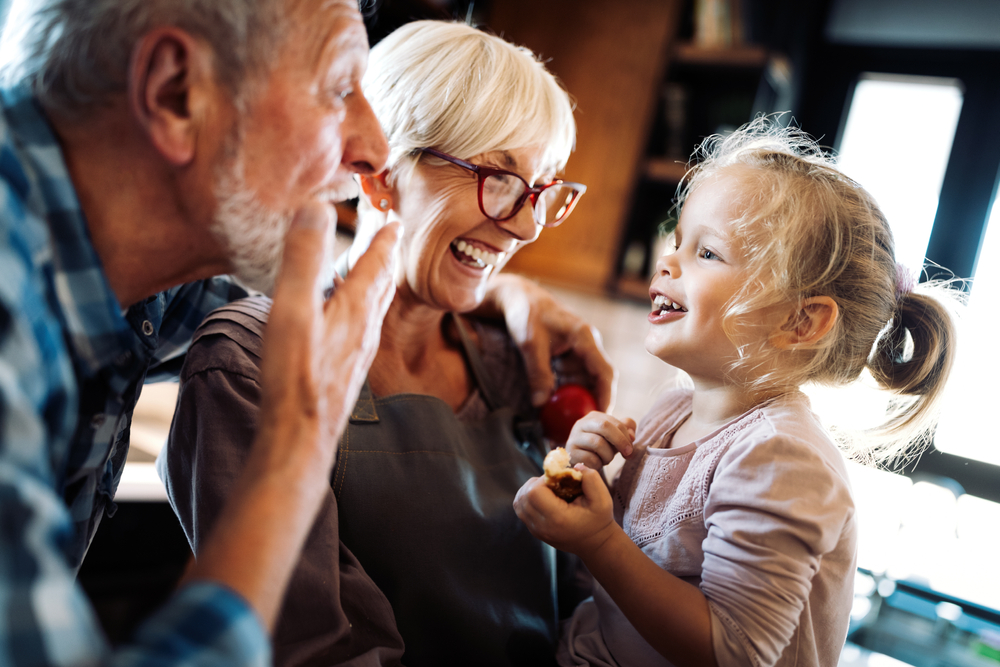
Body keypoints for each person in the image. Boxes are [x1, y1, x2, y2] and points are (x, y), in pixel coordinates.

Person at [0, 1, 612, 664]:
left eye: (539, 193)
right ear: (177, 93)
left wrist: (491, 285)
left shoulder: (142, 289)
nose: (370, 151)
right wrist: (294, 449)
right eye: (338, 89)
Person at [514, 119, 963, 667]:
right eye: (679, 240)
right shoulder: (672, 412)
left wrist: (599, 540)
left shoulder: (783, 457)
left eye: (708, 254)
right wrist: (585, 488)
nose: (667, 260)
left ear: (801, 322)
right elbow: (618, 595)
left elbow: (735, 650)